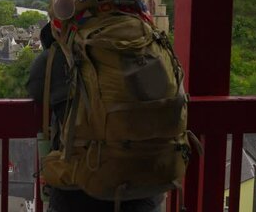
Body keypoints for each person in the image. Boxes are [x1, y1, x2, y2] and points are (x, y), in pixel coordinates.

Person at [26, 23, 164, 212]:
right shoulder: (146, 47)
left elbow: (35, 88)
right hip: (143, 186)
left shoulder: (57, 55)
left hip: (78, 190)